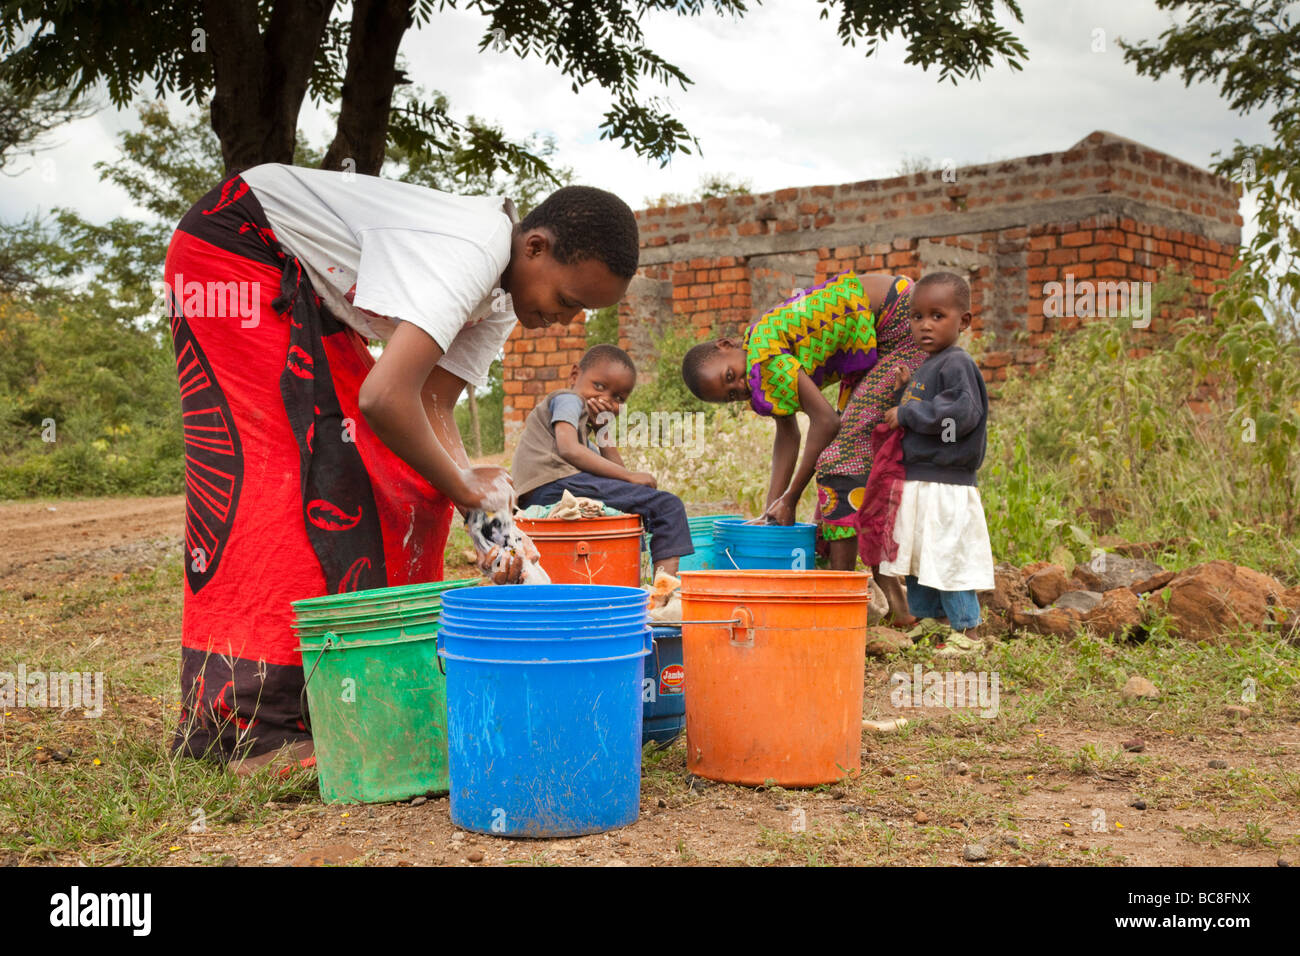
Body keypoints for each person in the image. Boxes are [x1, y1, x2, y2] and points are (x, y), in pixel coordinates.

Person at [164, 165, 638, 771]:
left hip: (299, 283)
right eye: (568, 301)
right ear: (535, 247)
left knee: (408, 483)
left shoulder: (499, 299)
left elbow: (431, 404)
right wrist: (463, 481)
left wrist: (491, 529)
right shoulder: (472, 251)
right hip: (236, 253)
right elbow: (384, 398)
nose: (567, 321)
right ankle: (248, 727)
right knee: (290, 480)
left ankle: (353, 686)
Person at [680, 271, 926, 622]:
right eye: (732, 395)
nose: (740, 389)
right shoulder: (761, 352)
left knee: (840, 463)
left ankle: (845, 606)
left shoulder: (762, 359)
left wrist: (791, 497)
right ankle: (874, 598)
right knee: (840, 471)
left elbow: (826, 422)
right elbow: (789, 434)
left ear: (725, 345)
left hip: (901, 321)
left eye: (730, 377)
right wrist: (773, 507)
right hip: (882, 327)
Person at [881, 271, 995, 640]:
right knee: (918, 555)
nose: (924, 326)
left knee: (947, 557)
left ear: (963, 321)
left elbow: (958, 418)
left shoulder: (956, 363)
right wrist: (905, 393)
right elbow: (926, 415)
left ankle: (968, 631)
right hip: (921, 479)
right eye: (917, 317)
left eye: (937, 316)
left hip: (945, 482)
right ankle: (930, 619)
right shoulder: (929, 366)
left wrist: (908, 412)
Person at [512, 344, 693, 576]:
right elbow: (568, 449)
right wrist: (632, 476)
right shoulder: (569, 399)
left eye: (617, 398)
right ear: (575, 375)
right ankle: (664, 593)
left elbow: (623, 485)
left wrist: (603, 431)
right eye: (598, 386)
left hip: (550, 488)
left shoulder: (582, 440)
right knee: (668, 506)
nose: (605, 399)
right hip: (555, 484)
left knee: (636, 504)